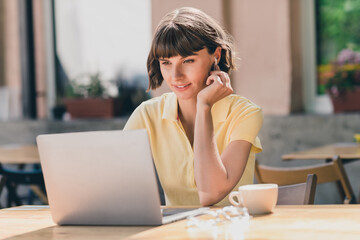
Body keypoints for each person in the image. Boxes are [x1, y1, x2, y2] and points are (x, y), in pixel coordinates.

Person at [124, 7, 263, 206]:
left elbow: (210, 194)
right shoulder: (147, 115)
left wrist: (204, 106)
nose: (175, 76)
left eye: (188, 60)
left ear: (215, 55)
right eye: (166, 63)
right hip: (172, 234)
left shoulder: (245, 113)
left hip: (232, 231)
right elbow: (116, 183)